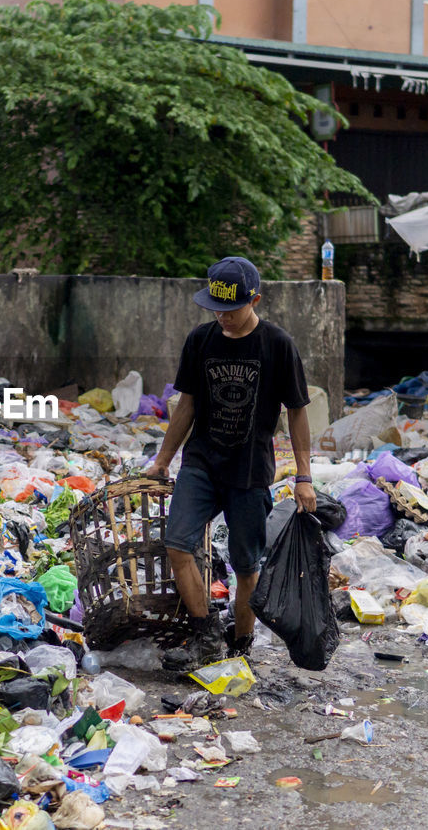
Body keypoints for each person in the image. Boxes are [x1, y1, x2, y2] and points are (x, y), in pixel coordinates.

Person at [144, 256, 317, 671]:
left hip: (249, 471)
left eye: (231, 308)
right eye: (215, 308)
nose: (221, 316)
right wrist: (163, 460)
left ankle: (240, 645)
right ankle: (204, 636)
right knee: (178, 543)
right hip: (201, 462)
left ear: (254, 300)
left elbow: (296, 411)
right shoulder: (200, 341)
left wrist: (304, 476)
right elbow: (186, 404)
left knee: (245, 566)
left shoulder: (278, 345)